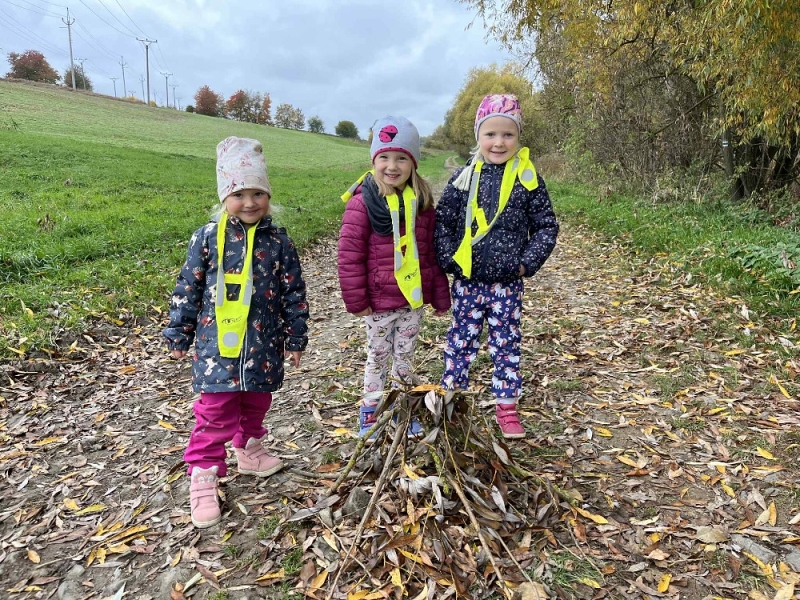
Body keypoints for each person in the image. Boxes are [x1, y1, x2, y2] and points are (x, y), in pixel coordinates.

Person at [163, 136, 309, 528]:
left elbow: (294, 290)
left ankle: (249, 449)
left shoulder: (279, 241)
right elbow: (188, 285)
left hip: (264, 345)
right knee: (214, 413)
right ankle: (204, 475)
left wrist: (296, 336)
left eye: (257, 192)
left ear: (268, 196)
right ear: (224, 196)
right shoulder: (207, 238)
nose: (249, 202)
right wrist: (179, 330)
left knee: (257, 403)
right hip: (217, 349)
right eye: (239, 193)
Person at [434, 94, 559, 439]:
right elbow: (443, 222)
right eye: (491, 134)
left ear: (518, 138)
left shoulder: (528, 179)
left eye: (508, 135)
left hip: (507, 285)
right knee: (460, 342)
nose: (499, 142)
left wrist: (526, 264)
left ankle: (507, 407)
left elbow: (547, 226)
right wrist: (448, 260)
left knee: (506, 344)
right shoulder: (463, 179)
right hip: (468, 283)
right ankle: (450, 403)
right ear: (478, 136)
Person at [338, 116, 451, 443]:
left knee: (405, 357)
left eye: (402, 157)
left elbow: (431, 254)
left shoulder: (423, 205)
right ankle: (370, 409)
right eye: (384, 157)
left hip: (412, 301)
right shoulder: (362, 204)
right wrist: (357, 301)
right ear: (373, 159)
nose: (392, 165)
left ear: (413, 163)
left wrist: (440, 296)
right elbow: (349, 255)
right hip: (379, 302)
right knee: (378, 356)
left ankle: (403, 405)